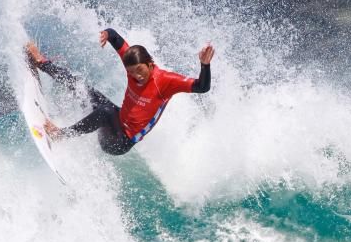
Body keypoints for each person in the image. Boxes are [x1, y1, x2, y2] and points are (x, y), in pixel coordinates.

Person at [25, 28, 215, 155]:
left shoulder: (165, 81)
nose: (136, 76)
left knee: (105, 111)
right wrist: (106, 34)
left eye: (140, 71)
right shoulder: (132, 63)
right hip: (117, 120)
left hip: (119, 142)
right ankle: (42, 63)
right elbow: (115, 37)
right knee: (84, 89)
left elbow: (202, 87)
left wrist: (204, 65)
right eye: (131, 72)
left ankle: (61, 135)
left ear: (150, 65)